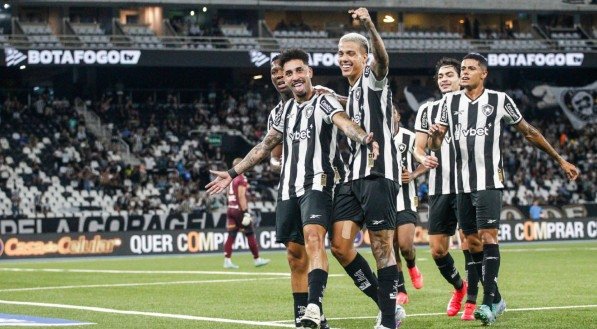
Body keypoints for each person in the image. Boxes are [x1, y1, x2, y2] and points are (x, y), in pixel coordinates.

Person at [207, 48, 379, 329]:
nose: (292, 77)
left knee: (319, 240)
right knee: (295, 256)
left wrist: (364, 138)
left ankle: (319, 306)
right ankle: (306, 319)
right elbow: (265, 148)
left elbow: (345, 123)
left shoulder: (324, 101)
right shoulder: (280, 112)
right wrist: (231, 172)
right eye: (287, 73)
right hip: (288, 189)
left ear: (309, 72)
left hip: (322, 182)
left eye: (298, 71)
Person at [429, 52, 580, 325]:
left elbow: (529, 132)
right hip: (461, 185)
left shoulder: (499, 100)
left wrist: (559, 159)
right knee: (471, 243)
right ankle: (496, 297)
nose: (464, 73)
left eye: (470, 69)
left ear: (483, 74)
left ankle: (487, 304)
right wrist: (436, 138)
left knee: (488, 237)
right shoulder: (448, 103)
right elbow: (437, 146)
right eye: (462, 69)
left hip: (489, 181)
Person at [330, 8, 401, 329]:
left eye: (350, 54)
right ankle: (386, 304)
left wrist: (370, 25)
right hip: (351, 181)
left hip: (378, 176)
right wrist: (331, 96)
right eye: (341, 53)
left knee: (381, 246)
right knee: (341, 246)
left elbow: (383, 60)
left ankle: (388, 320)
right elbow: (352, 109)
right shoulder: (353, 92)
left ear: (364, 58)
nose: (344, 58)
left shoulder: (374, 80)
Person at [412, 57, 480, 321]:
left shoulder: (471, 107)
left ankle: (472, 302)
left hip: (467, 185)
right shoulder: (427, 110)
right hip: (439, 186)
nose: (444, 79)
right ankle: (459, 288)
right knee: (438, 249)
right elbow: (419, 148)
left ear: (460, 78)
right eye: (440, 75)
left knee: (469, 243)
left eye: (449, 74)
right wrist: (422, 159)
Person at [392, 106, 426, 308]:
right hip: (384, 199)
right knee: (391, 246)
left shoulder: (409, 137)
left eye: (392, 111)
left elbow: (426, 160)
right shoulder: (377, 137)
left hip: (406, 197)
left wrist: (413, 175)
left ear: (398, 115)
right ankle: (400, 289)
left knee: (405, 245)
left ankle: (412, 265)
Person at [223, 157, 270, 269]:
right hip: (239, 210)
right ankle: (257, 259)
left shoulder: (230, 178)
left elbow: (227, 195)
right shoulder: (241, 178)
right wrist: (246, 212)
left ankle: (227, 260)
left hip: (230, 208)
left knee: (231, 235)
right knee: (249, 233)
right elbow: (241, 196)